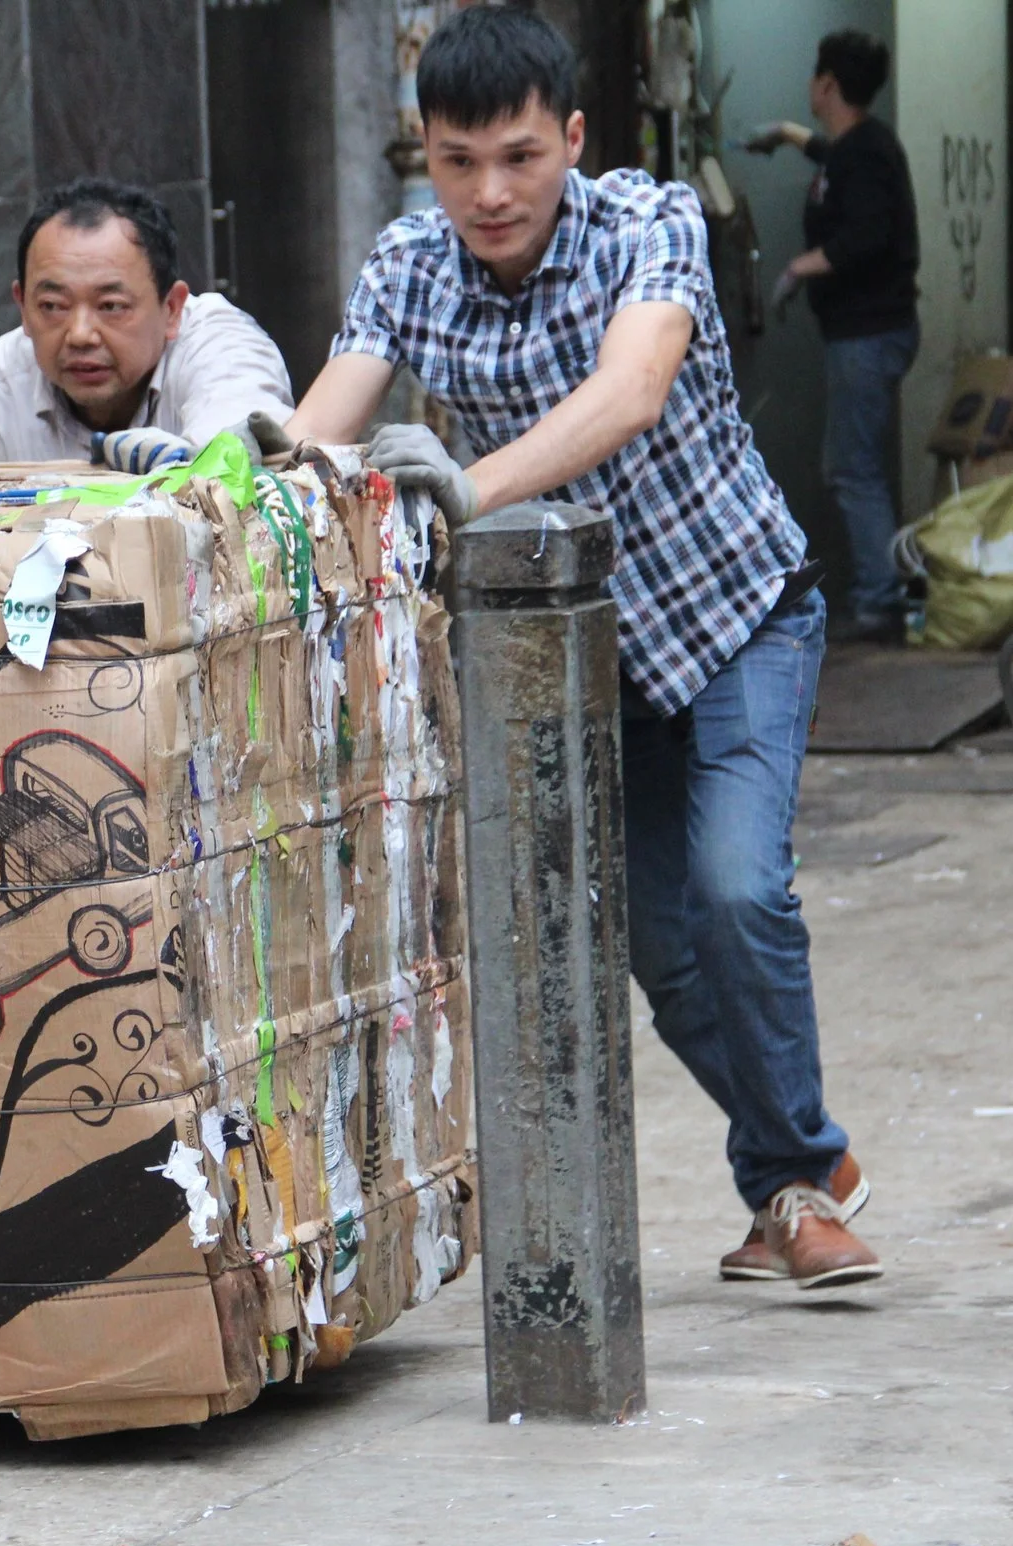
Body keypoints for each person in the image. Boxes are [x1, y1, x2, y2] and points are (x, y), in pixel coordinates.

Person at [288, 6, 880, 1288]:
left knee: (736, 890)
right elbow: (317, 434)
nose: (490, 193)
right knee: (661, 954)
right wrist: (217, 470)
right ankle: (801, 1172)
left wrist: (466, 486)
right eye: (458, 162)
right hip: (594, 663)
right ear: (424, 155)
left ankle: (791, 1172)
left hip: (740, 617)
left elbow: (630, 391)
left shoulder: (648, 222)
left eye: (518, 157)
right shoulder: (406, 263)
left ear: (570, 137)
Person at [0, 178, 294, 477]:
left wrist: (189, 464)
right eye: (53, 306)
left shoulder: (221, 348)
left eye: (111, 306)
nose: (80, 335)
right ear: (22, 306)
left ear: (171, 308)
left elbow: (237, 445)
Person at [748, 31, 922, 644]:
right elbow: (829, 152)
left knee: (854, 470)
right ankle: (880, 592)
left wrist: (799, 268)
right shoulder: (853, 146)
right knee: (850, 465)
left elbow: (867, 236)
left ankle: (880, 601)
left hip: (870, 332)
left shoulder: (867, 152)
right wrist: (787, 135)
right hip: (861, 332)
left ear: (826, 84)